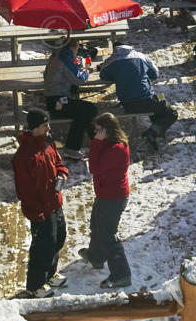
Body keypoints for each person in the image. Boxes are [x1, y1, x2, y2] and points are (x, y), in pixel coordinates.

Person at [11, 108, 69, 299]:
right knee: (42, 246)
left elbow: (60, 163)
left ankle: (50, 274)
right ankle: (35, 286)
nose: (48, 128)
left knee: (58, 238)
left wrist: (62, 174)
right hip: (40, 210)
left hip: (55, 203)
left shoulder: (48, 144)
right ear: (34, 128)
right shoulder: (24, 156)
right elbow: (25, 190)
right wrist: (36, 212)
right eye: (44, 125)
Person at [81, 113, 133, 288]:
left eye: (98, 130)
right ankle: (95, 257)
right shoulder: (109, 143)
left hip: (113, 198)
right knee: (96, 224)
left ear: (107, 130)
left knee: (108, 234)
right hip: (105, 194)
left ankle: (121, 274)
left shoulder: (117, 148)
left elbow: (94, 168)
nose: (95, 133)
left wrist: (95, 142)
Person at [99, 44, 177, 151]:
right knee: (171, 112)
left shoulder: (111, 60)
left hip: (128, 104)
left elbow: (103, 76)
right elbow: (155, 74)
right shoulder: (141, 57)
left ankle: (154, 130)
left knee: (157, 105)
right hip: (146, 100)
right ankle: (153, 132)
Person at [43, 38, 99, 160]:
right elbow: (80, 79)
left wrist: (80, 64)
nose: (77, 52)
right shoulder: (64, 58)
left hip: (54, 99)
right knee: (90, 109)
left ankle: (91, 144)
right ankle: (93, 144)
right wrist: (86, 68)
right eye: (77, 49)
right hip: (57, 101)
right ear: (72, 48)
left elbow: (47, 75)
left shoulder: (57, 56)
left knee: (84, 112)